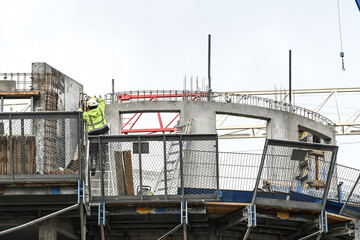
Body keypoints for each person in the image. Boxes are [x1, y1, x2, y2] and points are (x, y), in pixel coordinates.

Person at [79, 96, 109, 176]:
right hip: (103, 131)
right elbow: (102, 101)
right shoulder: (100, 109)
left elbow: (79, 114)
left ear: (88, 107)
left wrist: (81, 107)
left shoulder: (86, 114)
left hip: (92, 134)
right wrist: (95, 98)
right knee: (102, 150)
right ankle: (102, 167)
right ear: (96, 105)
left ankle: (93, 163)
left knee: (93, 150)